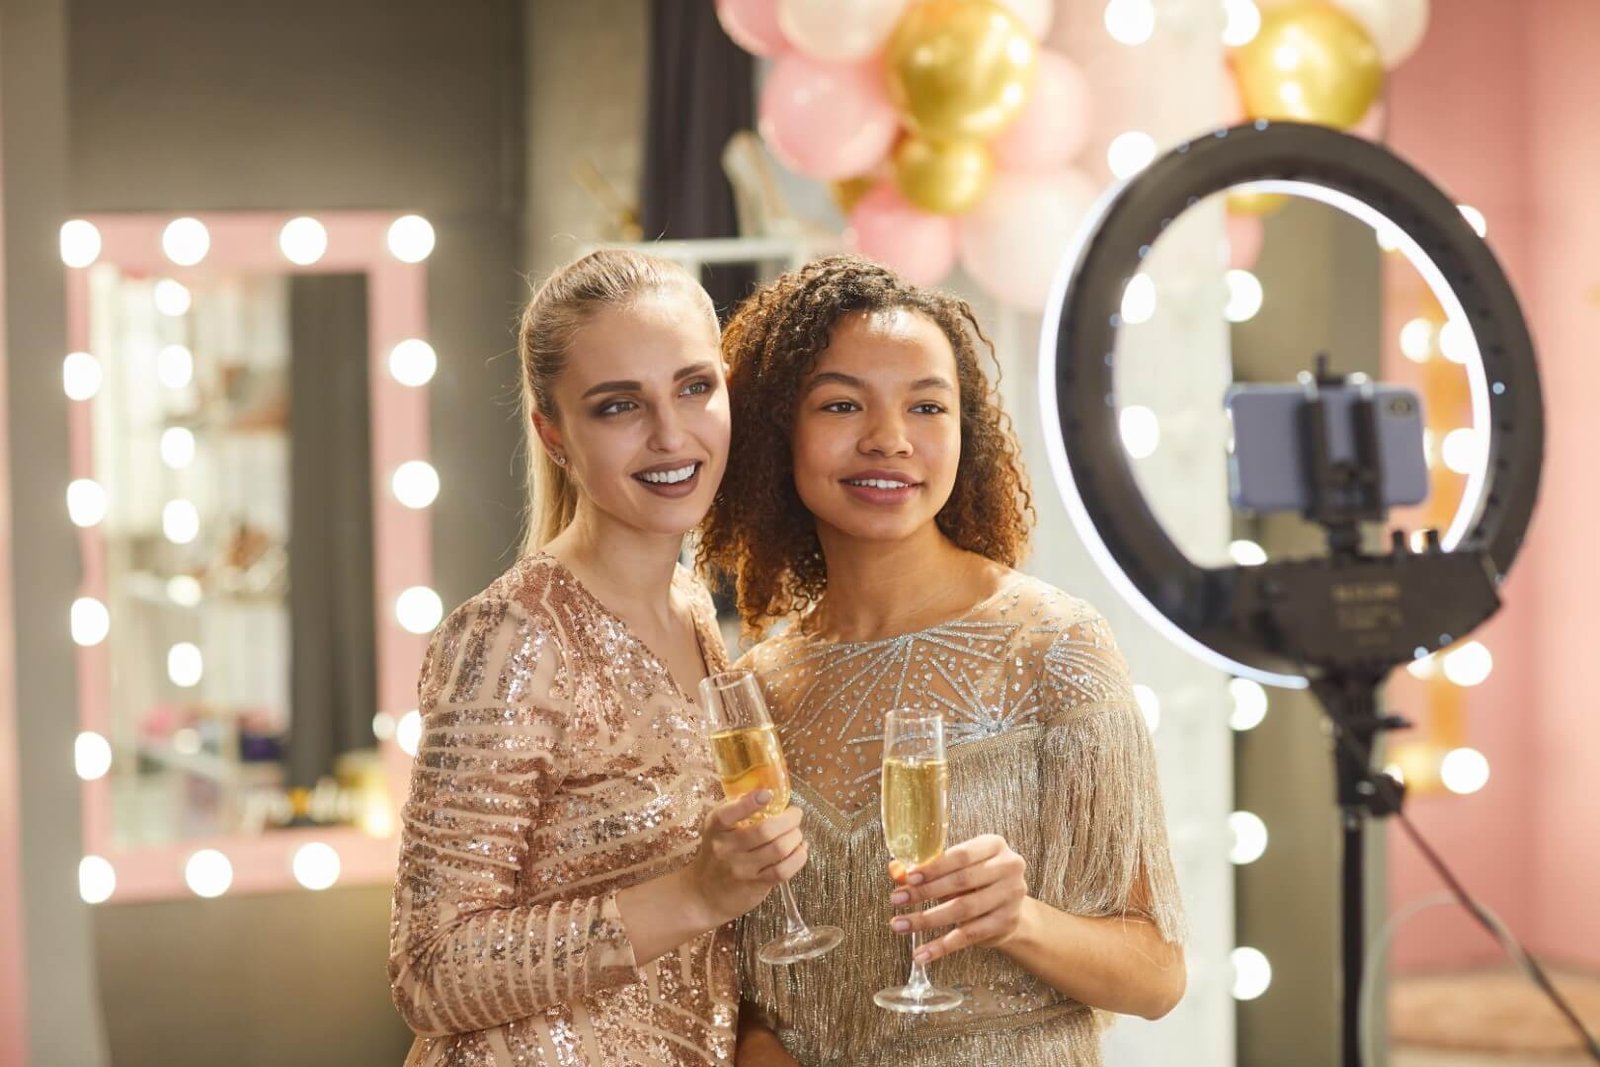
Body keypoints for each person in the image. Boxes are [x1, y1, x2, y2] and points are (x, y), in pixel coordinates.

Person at [700, 256, 1187, 1066]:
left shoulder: (1053, 645)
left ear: (968, 431)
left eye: (927, 405)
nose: (889, 438)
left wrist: (1021, 916)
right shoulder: (757, 689)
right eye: (842, 403)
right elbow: (756, 994)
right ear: (777, 431)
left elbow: (1158, 975)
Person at [389, 249, 809, 1066]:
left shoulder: (690, 606)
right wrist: (693, 895)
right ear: (553, 433)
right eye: (620, 405)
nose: (671, 433)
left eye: (695, 386)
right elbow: (429, 970)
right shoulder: (511, 635)